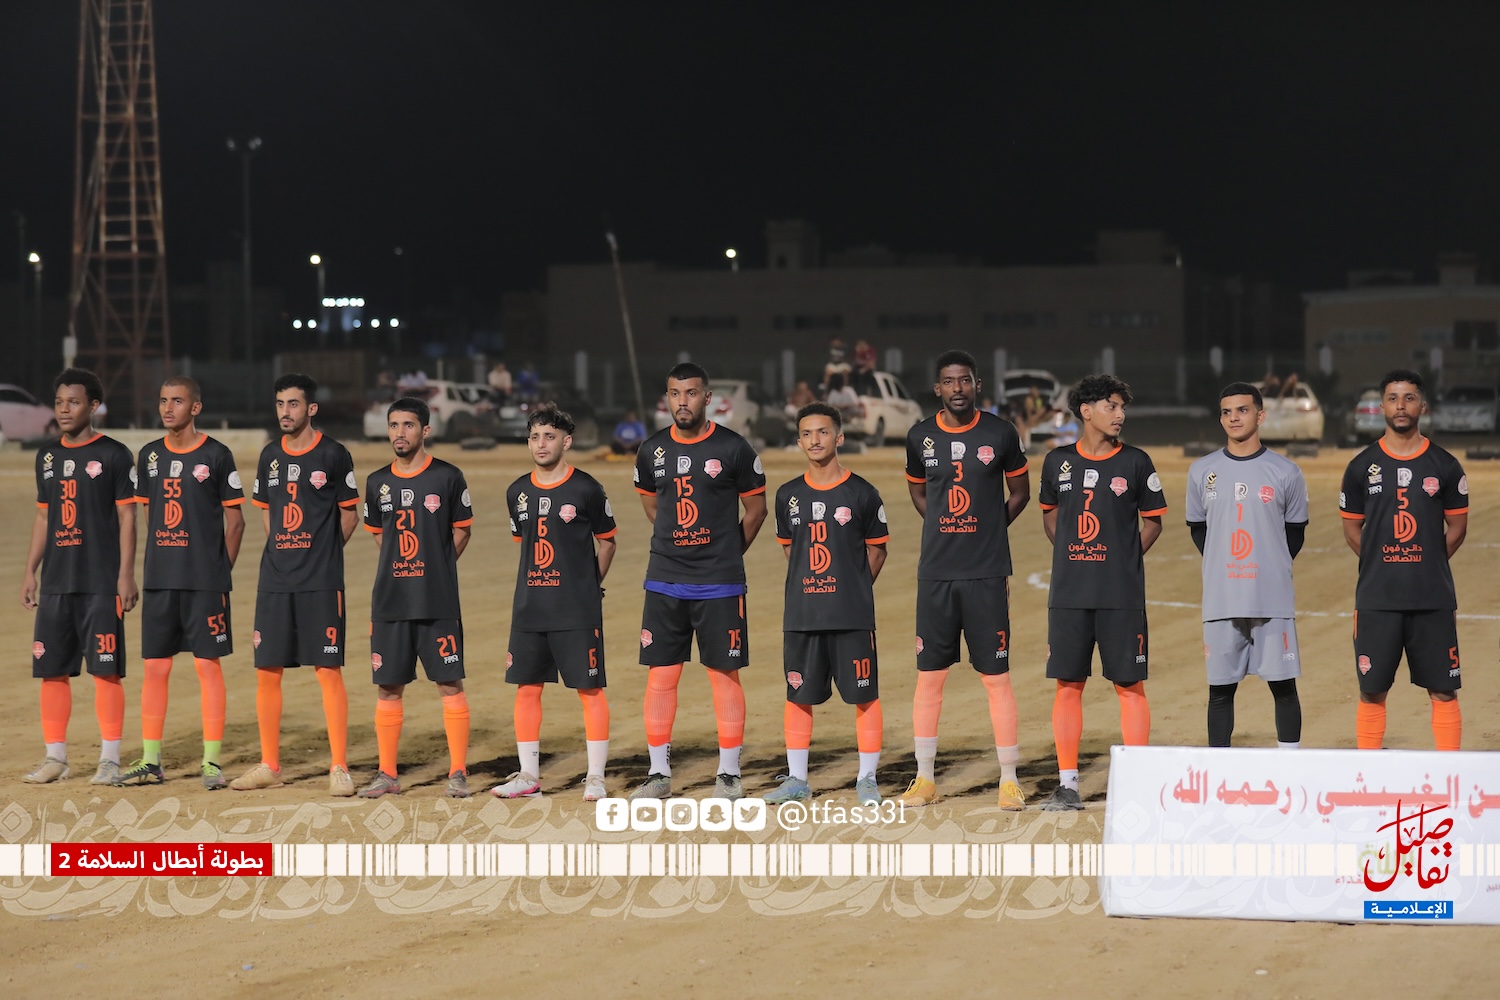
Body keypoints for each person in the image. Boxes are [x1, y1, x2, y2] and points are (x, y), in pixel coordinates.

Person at [630, 362, 768, 800]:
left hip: (719, 583)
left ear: (707, 398)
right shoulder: (651, 450)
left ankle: (728, 774)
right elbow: (652, 505)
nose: (682, 401)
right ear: (667, 398)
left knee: (724, 676)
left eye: (691, 393)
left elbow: (756, 510)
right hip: (665, 579)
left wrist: (725, 554)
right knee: (661, 675)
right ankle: (658, 774)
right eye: (675, 393)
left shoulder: (734, 448)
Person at [900, 350, 1030, 810]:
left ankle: (1009, 780)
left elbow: (1020, 492)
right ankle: (924, 779)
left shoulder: (1001, 432)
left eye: (965, 380)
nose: (958, 388)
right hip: (936, 574)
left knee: (996, 678)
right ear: (938, 388)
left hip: (987, 574)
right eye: (949, 382)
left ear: (977, 384)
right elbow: (918, 491)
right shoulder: (919, 436)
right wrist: (944, 526)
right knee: (929, 678)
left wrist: (989, 529)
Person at [1037, 374, 1166, 811]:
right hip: (1069, 594)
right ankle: (1068, 785)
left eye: (1122, 407)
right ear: (1086, 411)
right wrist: (1070, 551)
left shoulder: (1136, 462)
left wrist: (1123, 558)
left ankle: (1139, 785)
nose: (1120, 414)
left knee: (1129, 685)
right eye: (1112, 406)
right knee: (1067, 686)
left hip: (1120, 595)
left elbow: (1153, 521)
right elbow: (1050, 513)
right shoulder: (1057, 462)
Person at [230, 374, 361, 796]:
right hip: (275, 580)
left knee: (327, 669)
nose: (285, 412)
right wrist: (284, 553)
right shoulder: (270, 455)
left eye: (293, 404)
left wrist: (321, 553)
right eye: (280, 404)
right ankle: (270, 765)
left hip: (320, 582)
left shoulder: (333, 454)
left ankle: (339, 766)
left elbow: (350, 514)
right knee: (267, 670)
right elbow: (267, 511)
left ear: (311, 409)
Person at [118, 377, 246, 788]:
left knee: (207, 666)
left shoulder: (216, 454)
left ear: (195, 408)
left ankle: (211, 762)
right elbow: (147, 514)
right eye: (163, 401)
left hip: (205, 583)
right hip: (160, 580)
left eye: (177, 401)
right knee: (155, 667)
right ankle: (150, 760)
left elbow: (236, 523)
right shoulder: (149, 455)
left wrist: (218, 572)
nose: (167, 408)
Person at [491, 406, 618, 800]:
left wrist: (588, 585)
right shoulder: (517, 492)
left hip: (576, 609)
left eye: (549, 436)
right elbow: (524, 544)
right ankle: (528, 776)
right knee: (527, 688)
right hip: (530, 608)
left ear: (567, 441)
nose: (540, 444)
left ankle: (595, 777)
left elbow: (607, 542)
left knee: (589, 689)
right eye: (534, 437)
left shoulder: (587, 488)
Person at [765, 402, 889, 805]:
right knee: (798, 694)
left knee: (864, 694)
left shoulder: (863, 493)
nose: (814, 440)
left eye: (822, 432)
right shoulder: (788, 495)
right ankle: (797, 780)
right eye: (806, 433)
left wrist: (852, 587)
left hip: (851, 615)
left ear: (839, 438)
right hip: (802, 615)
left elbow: (877, 550)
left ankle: (867, 779)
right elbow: (791, 549)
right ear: (799, 441)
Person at [1339, 369, 1467, 751]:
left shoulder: (1445, 465)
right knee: (1372, 691)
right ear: (1382, 407)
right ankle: (1368, 774)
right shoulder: (1361, 467)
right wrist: (1383, 563)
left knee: (1443, 690)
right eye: (1393, 398)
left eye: (1409, 398)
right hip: (1377, 600)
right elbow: (1352, 530)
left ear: (1422, 406)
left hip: (1432, 599)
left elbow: (1458, 528)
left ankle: (1449, 775)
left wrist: (1427, 562)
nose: (1401, 406)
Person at [21, 368, 138, 785]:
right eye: (59, 402)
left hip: (100, 583)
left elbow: (127, 517)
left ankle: (109, 759)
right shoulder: (47, 457)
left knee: (106, 671)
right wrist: (31, 570)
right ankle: (56, 758)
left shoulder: (114, 454)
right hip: (57, 583)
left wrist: (126, 575)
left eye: (73, 402)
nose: (64, 409)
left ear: (93, 406)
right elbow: (43, 517)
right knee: (51, 670)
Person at [359, 395, 475, 797]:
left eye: (408, 425)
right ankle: (387, 774)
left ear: (425, 430)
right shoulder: (377, 482)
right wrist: (403, 566)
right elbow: (379, 534)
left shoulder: (448, 476)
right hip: (390, 602)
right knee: (388, 687)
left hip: (436, 601)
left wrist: (436, 566)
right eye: (394, 425)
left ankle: (457, 772)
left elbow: (462, 530)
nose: (400, 433)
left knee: (449, 683)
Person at [1185, 383, 1309, 748]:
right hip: (1222, 599)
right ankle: (1219, 768)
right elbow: (1198, 528)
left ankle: (1289, 765)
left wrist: (1270, 565)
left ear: (1260, 415)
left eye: (1242, 410)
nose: (1234, 418)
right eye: (1226, 412)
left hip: (1271, 598)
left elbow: (1295, 533)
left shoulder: (1285, 471)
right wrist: (1223, 565)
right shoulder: (1202, 470)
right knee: (1220, 691)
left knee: (1284, 687)